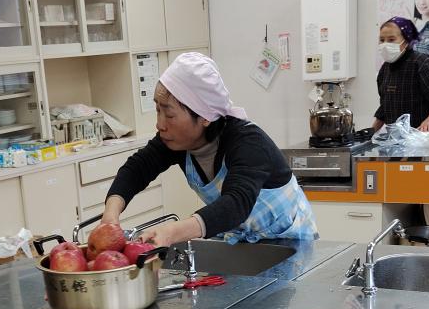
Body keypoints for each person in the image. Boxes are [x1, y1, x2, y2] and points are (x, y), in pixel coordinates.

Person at [101, 52, 317, 249]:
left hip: (291, 246)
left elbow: (235, 204)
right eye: (158, 110)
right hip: (241, 243)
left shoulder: (249, 143)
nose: (160, 124)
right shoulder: (175, 141)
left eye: (169, 114)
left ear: (204, 116)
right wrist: (110, 218)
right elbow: (137, 168)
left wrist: (172, 232)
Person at [372, 17, 429, 133]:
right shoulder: (385, 69)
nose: (385, 44)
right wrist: (370, 133)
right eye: (382, 40)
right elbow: (385, 107)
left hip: (423, 138)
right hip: (396, 139)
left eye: (391, 39)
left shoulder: (423, 64)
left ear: (407, 40)